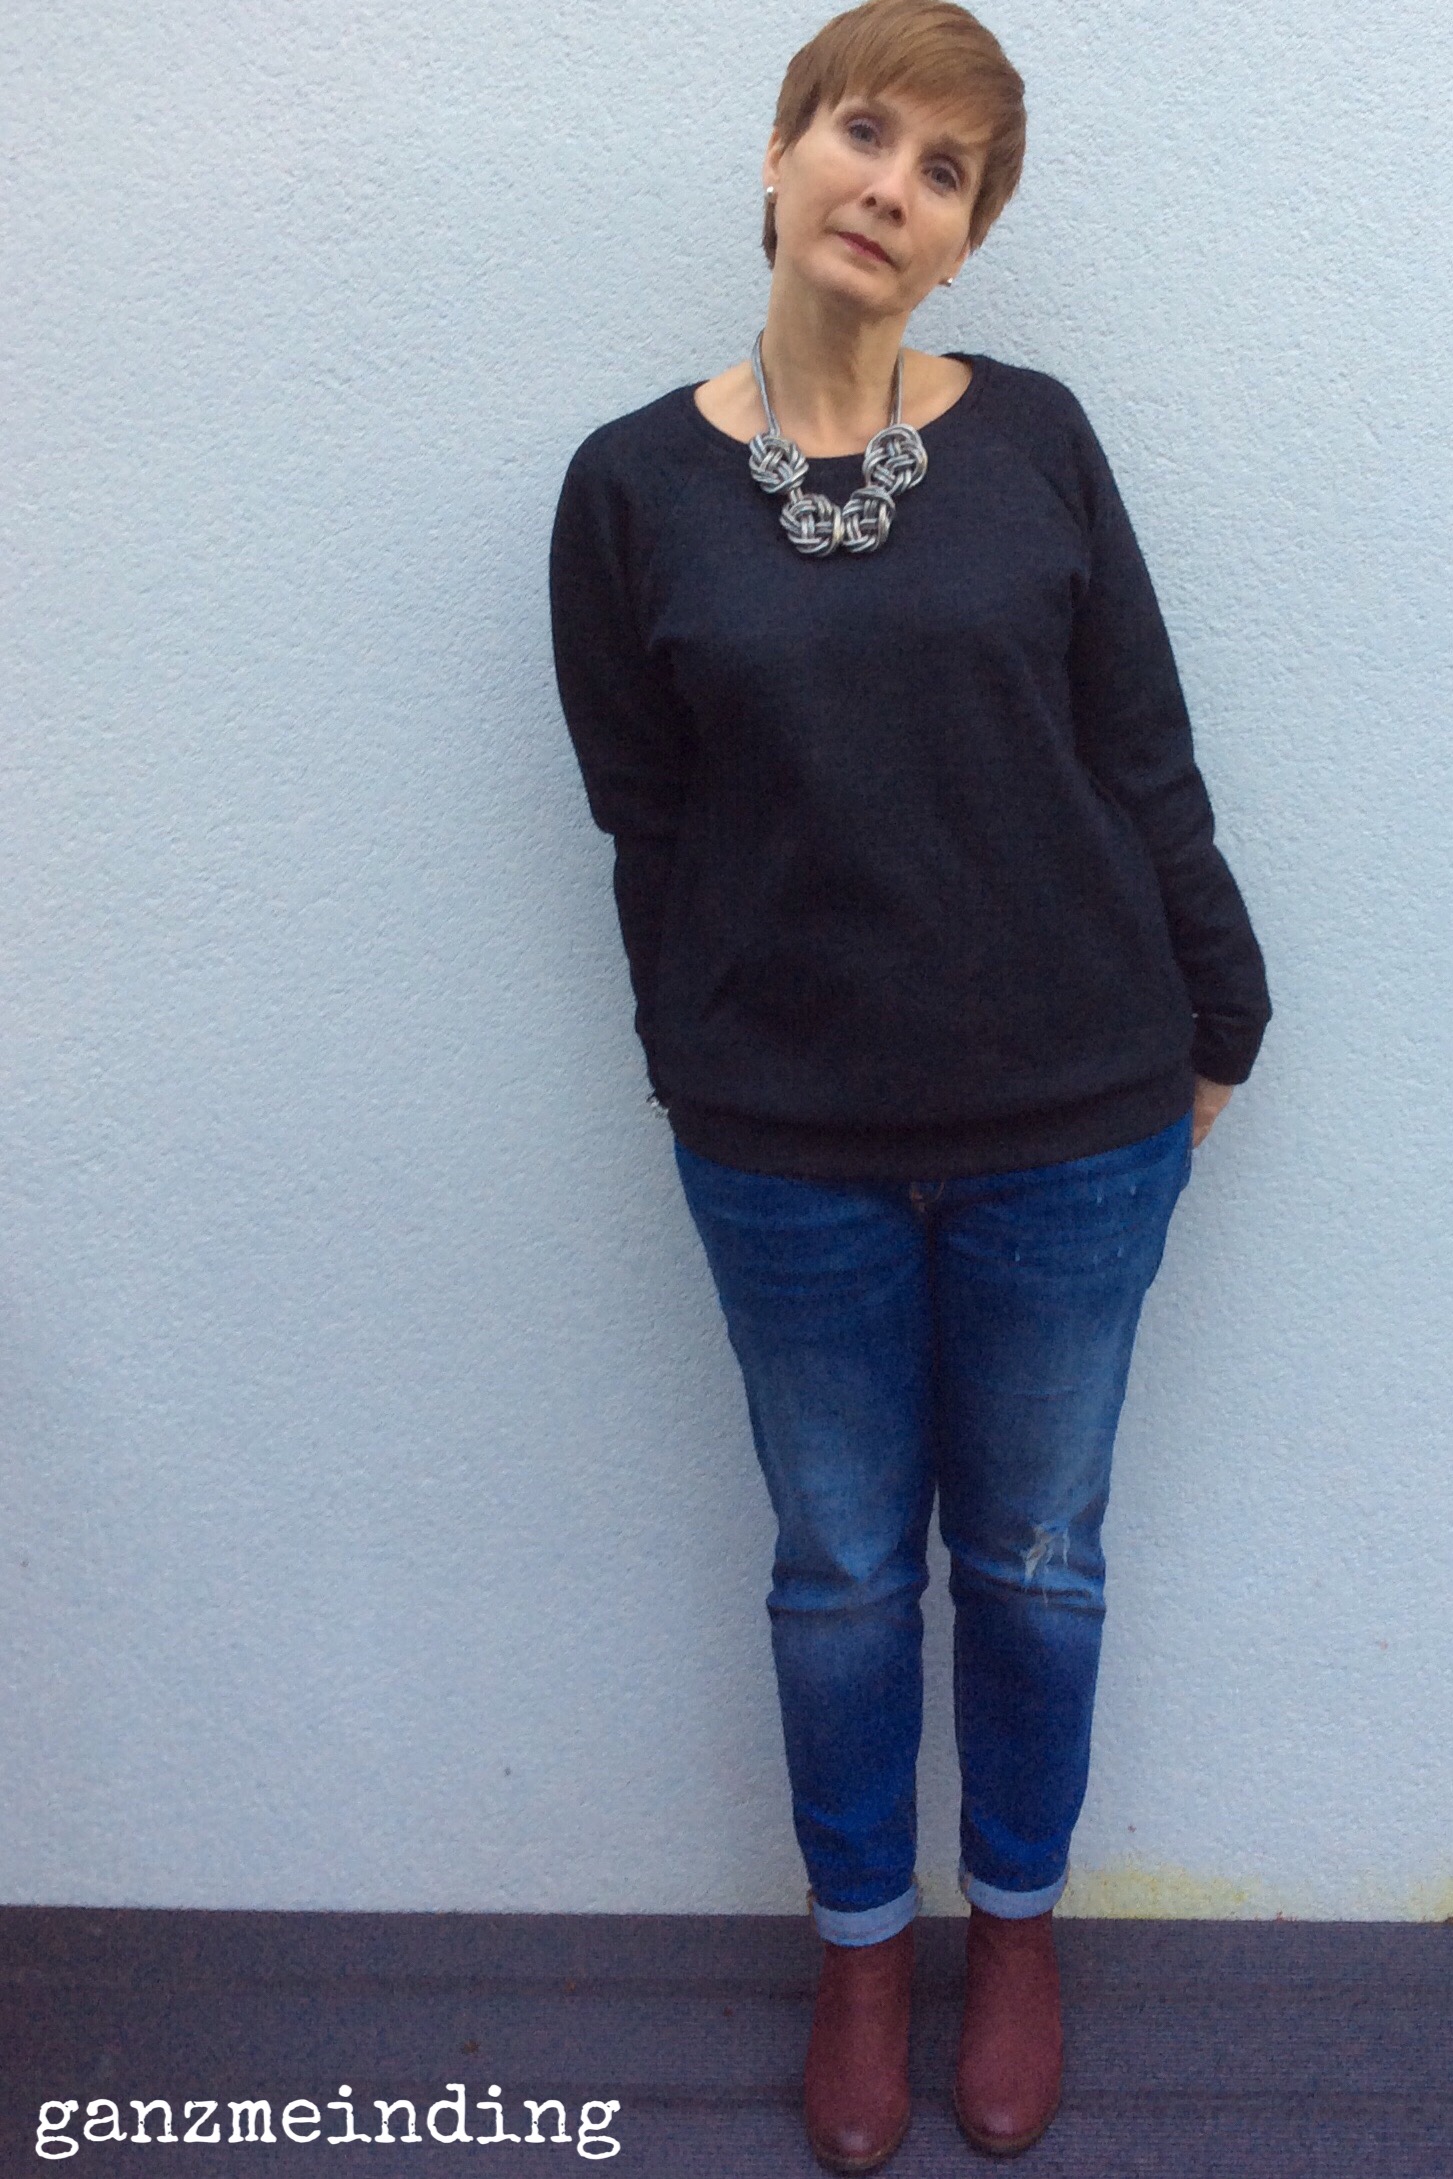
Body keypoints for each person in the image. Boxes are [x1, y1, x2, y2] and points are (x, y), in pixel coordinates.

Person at [547, 0, 1271, 2165]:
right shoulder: (628, 488)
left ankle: (1014, 1930)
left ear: (963, 240)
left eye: (945, 172)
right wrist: (690, 1063)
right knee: (843, 1571)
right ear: (778, 156)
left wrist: (1221, 1017)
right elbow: (642, 821)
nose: (891, 187)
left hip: (1078, 1122)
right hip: (786, 1152)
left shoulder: (1036, 436)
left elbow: (1138, 747)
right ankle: (863, 1947)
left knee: (1036, 1556)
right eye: (865, 132)